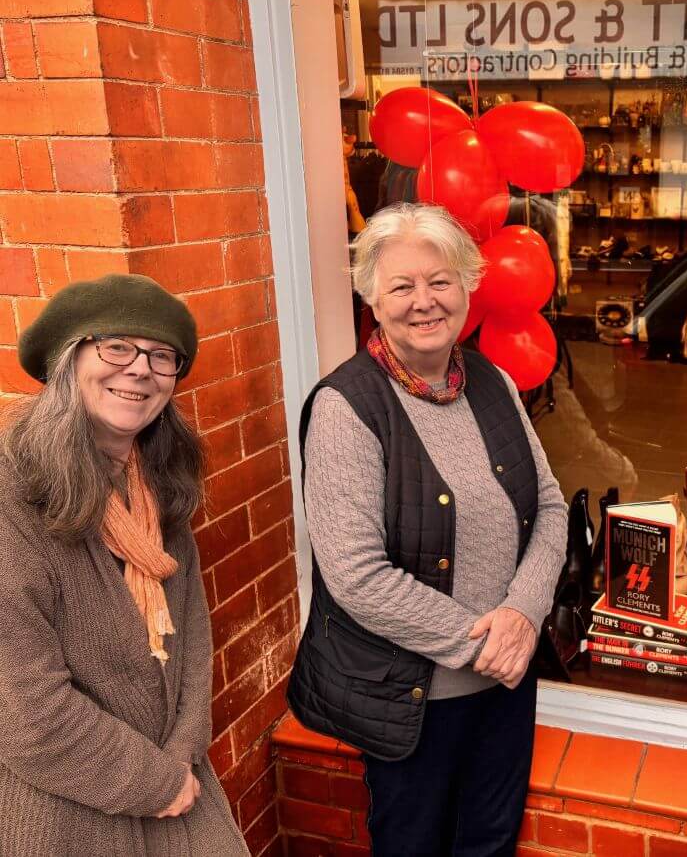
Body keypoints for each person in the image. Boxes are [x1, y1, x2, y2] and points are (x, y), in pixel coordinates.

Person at [288, 203, 568, 855]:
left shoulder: (492, 381)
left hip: (504, 682)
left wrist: (522, 616)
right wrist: (483, 645)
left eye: (440, 281)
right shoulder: (346, 407)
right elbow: (356, 575)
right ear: (372, 300)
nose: (424, 302)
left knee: (489, 844)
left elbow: (549, 508)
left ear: (469, 286)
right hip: (415, 700)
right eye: (401, 286)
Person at [0, 275, 249, 856]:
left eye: (163, 356)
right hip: (67, 810)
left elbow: (190, 639)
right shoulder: (14, 496)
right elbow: (24, 708)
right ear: (67, 360)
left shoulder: (156, 482)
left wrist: (182, 755)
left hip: (176, 785)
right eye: (116, 347)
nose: (140, 369)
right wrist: (155, 781)